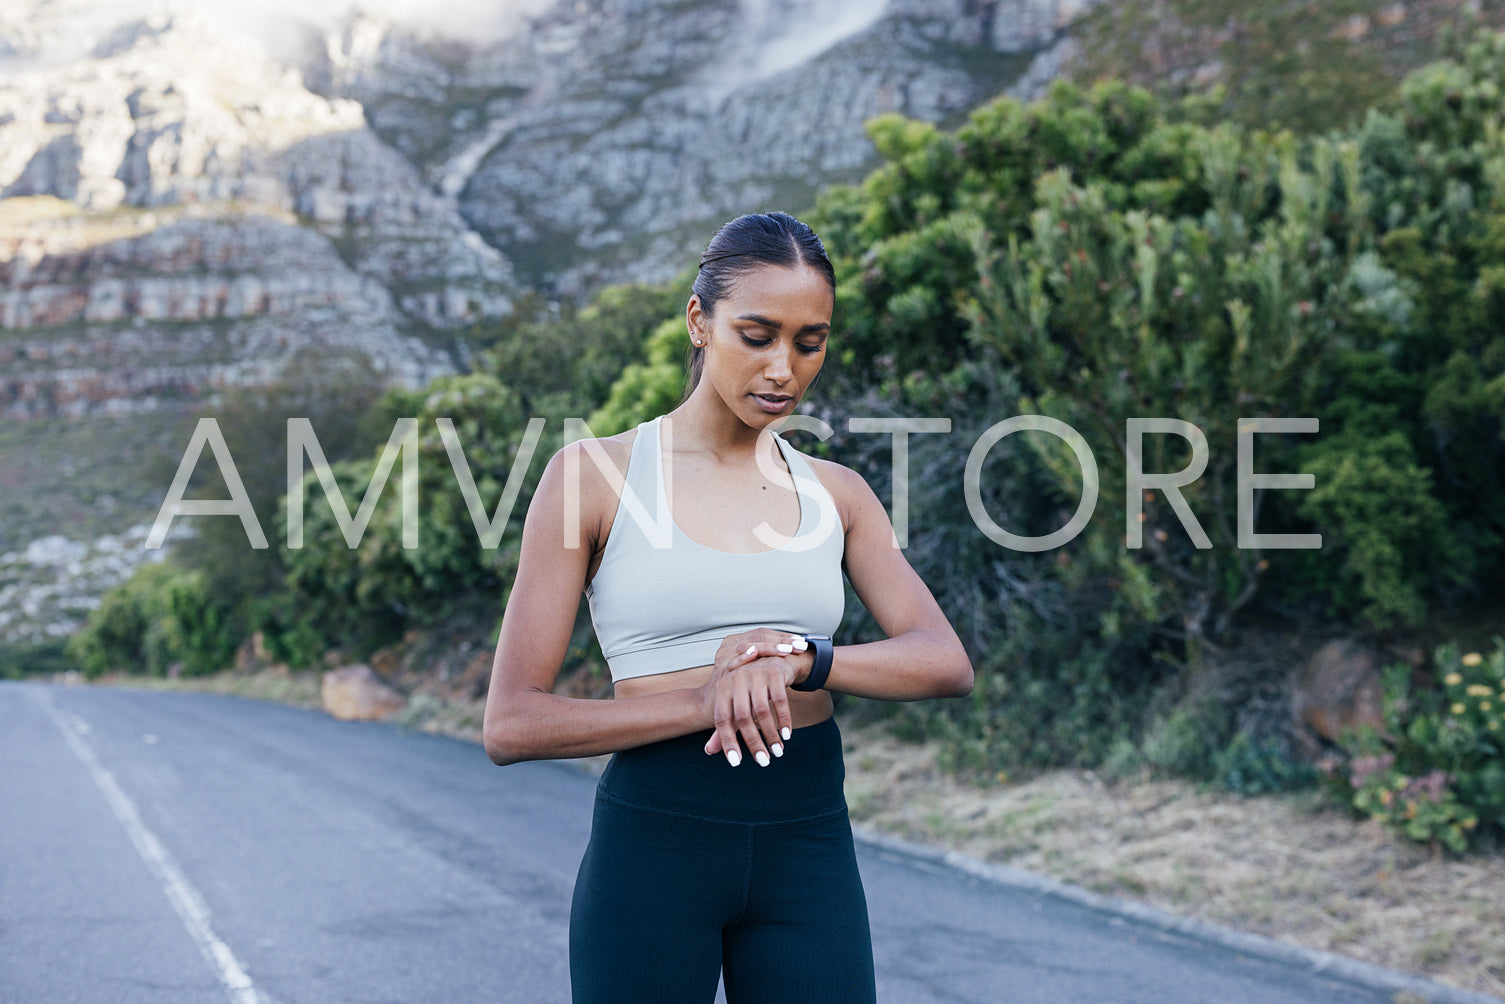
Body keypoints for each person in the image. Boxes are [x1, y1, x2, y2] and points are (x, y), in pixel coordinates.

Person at [482, 210, 973, 1003]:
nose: (783, 368)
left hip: (807, 839)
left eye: (808, 342)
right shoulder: (594, 477)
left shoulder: (836, 494)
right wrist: (704, 700)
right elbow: (511, 724)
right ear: (698, 321)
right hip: (656, 845)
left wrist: (801, 659)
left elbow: (943, 662)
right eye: (757, 334)